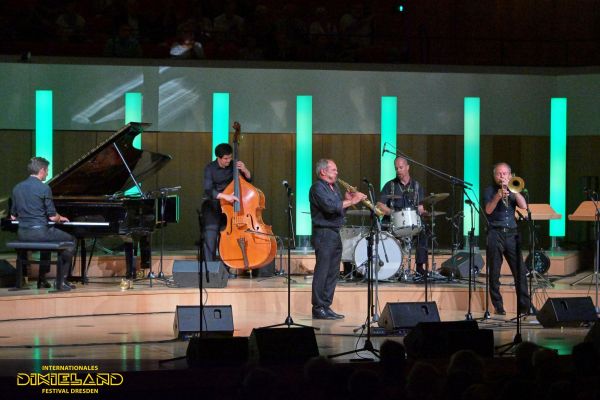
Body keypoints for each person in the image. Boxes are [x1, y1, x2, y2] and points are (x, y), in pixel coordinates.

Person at [309, 158, 366, 319]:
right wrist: (351, 201)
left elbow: (339, 212)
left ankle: (326, 306)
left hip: (334, 233)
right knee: (323, 271)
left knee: (333, 272)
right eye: (333, 170)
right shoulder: (317, 188)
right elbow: (330, 207)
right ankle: (318, 307)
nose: (337, 172)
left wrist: (347, 200)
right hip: (324, 233)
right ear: (323, 172)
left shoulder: (333, 188)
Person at [10, 157, 75, 291]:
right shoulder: (44, 188)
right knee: (70, 241)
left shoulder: (17, 187)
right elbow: (52, 217)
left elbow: (12, 216)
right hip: (40, 233)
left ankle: (42, 279)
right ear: (42, 170)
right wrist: (60, 217)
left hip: (22, 233)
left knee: (49, 239)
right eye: (47, 171)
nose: (47, 174)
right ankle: (61, 281)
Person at [483, 162, 530, 315]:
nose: (502, 176)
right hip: (495, 233)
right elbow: (488, 210)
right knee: (494, 273)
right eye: (499, 173)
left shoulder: (513, 188)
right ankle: (498, 306)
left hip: (512, 234)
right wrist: (498, 195)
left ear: (510, 175)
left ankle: (524, 306)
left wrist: (514, 190)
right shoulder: (490, 190)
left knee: (520, 272)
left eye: (505, 174)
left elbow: (523, 206)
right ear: (494, 175)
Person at [376, 156, 428, 278]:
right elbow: (379, 204)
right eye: (396, 168)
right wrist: (392, 213)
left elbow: (420, 207)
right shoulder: (390, 185)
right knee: (382, 233)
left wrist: (424, 212)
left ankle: (420, 267)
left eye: (401, 167)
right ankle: (388, 267)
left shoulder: (416, 186)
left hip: (412, 222)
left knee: (424, 231)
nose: (398, 170)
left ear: (407, 167)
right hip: (393, 222)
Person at [201, 143, 251, 269]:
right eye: (225, 159)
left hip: (229, 209)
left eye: (230, 158)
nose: (228, 161)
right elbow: (208, 190)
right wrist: (225, 196)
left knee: (227, 240)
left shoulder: (235, 165)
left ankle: (226, 269)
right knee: (210, 239)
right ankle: (210, 270)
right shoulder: (209, 168)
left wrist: (245, 170)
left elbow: (248, 181)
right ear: (218, 157)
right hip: (212, 207)